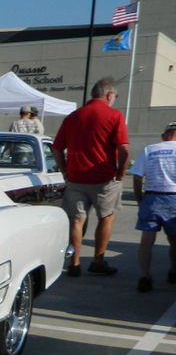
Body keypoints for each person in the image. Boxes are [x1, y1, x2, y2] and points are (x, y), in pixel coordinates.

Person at [52, 77, 130, 277]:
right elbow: (124, 150)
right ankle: (98, 260)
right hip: (104, 178)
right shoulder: (114, 115)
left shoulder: (72, 117)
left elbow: (57, 148)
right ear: (109, 95)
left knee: (76, 220)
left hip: (76, 178)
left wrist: (64, 170)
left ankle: (74, 262)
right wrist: (120, 172)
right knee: (106, 217)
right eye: (115, 96)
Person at [130, 121, 176, 292]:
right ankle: (173, 271)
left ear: (165, 135)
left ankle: (144, 276)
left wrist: (139, 199)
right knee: (174, 240)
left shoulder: (150, 149)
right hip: (174, 197)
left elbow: (137, 176)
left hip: (152, 197)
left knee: (146, 240)